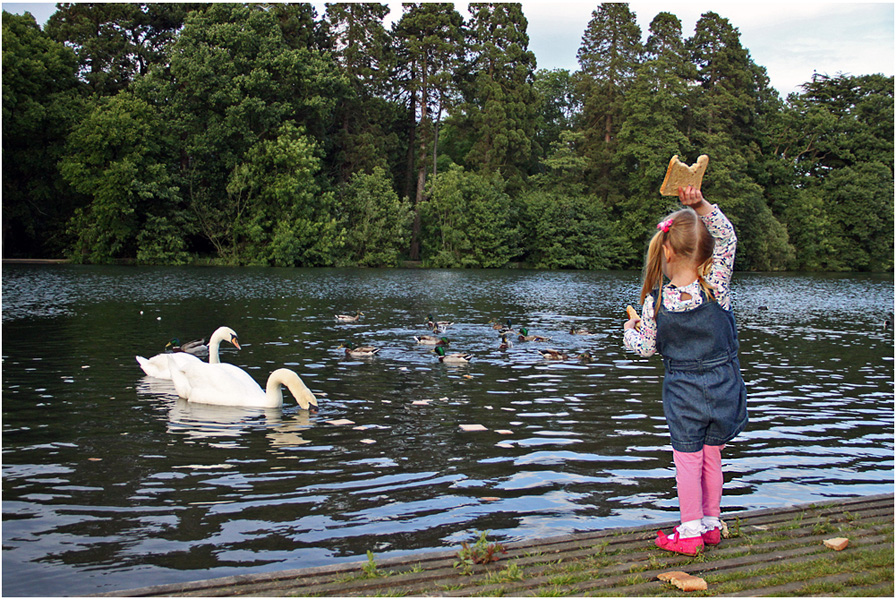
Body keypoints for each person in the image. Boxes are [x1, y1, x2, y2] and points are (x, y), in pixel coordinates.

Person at [623, 185, 748, 556]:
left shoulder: (655, 302)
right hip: (725, 386)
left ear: (666, 250)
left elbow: (645, 349)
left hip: (684, 393)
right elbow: (728, 237)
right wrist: (701, 205)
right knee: (712, 455)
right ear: (704, 252)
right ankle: (711, 524)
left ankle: (690, 531)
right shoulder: (717, 286)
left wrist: (629, 332)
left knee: (688, 461)